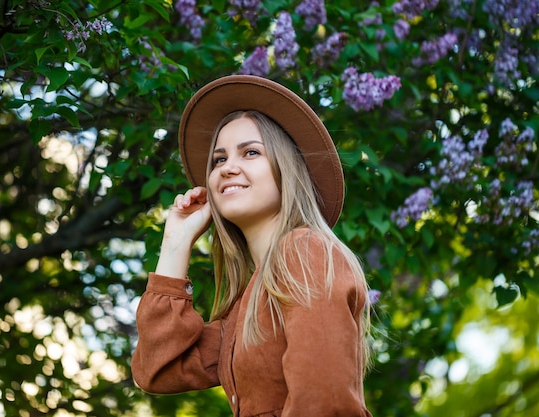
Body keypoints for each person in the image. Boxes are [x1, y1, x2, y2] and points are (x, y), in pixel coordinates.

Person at [131, 75, 373, 417]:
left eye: (250, 152)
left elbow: (324, 405)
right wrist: (175, 243)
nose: (228, 168)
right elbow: (158, 370)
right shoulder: (246, 306)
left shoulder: (304, 251)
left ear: (286, 170)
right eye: (218, 160)